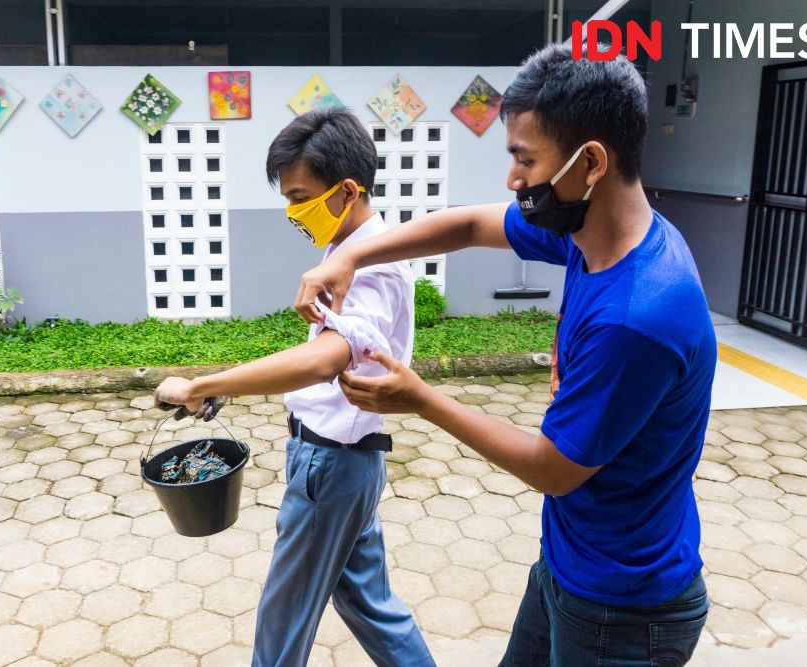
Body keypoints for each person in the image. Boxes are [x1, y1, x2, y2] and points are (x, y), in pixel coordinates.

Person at [293, 44, 717, 667]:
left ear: (592, 162)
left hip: (625, 611)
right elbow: (464, 226)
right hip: (572, 564)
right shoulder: (595, 234)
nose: (513, 179)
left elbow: (552, 469)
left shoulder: (637, 318)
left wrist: (421, 399)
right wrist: (350, 256)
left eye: (524, 159)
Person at [154, 107, 435, 667]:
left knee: (281, 626)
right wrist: (230, 386)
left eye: (300, 195)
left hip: (329, 469)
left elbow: (323, 360)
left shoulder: (372, 268)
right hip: (346, 464)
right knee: (371, 606)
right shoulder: (355, 251)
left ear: (347, 190)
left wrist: (205, 382)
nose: (292, 210)